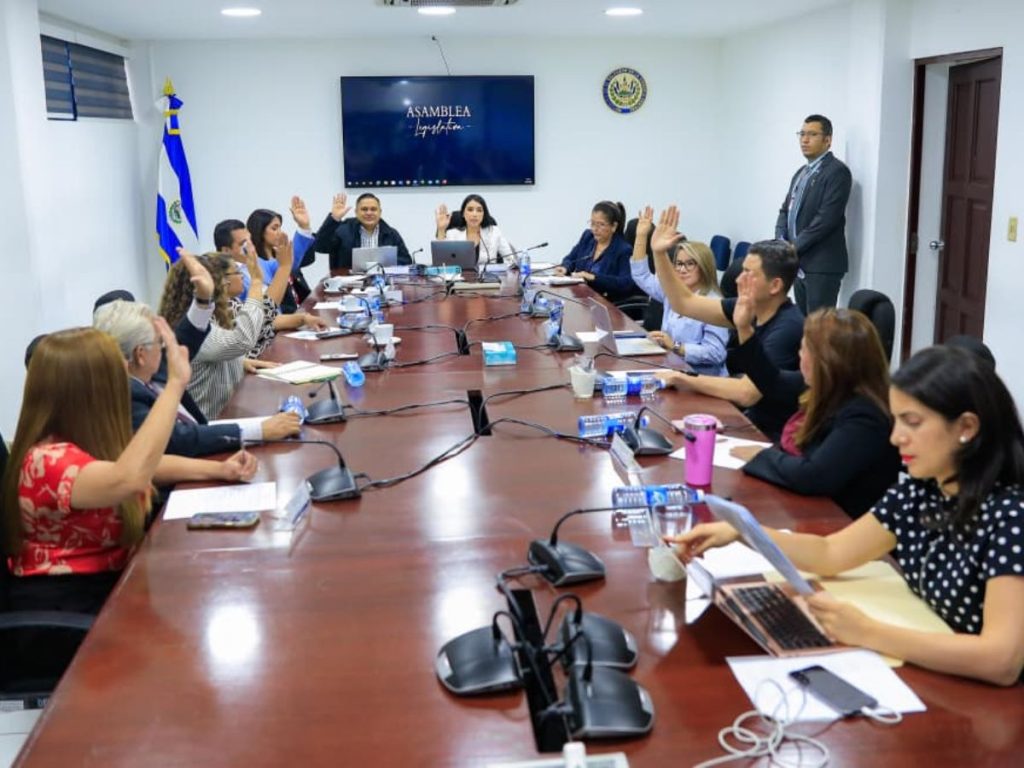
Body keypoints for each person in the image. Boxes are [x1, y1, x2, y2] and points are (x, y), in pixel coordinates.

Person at [670, 345, 1024, 686]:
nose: (897, 437)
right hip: (935, 669)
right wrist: (744, 532)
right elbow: (832, 553)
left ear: (966, 427)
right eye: (896, 420)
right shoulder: (920, 494)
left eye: (912, 422)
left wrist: (869, 632)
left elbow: (1001, 660)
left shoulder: (1010, 518)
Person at [1, 326, 258, 614]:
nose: (125, 368)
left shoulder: (80, 438)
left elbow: (143, 465)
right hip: (68, 609)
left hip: (112, 586)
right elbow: (129, 477)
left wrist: (219, 470)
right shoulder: (45, 461)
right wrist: (174, 385)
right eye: (115, 366)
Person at [724, 272, 901, 517]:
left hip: (839, 524)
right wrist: (744, 326)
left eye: (804, 349)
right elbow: (772, 381)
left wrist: (759, 456)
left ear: (828, 361)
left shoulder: (865, 414)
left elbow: (813, 476)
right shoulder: (831, 386)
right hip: (810, 509)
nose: (799, 356)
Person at [652, 206, 805, 441]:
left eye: (749, 274)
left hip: (770, 434)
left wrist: (683, 378)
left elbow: (747, 393)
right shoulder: (747, 305)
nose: (738, 279)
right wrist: (660, 255)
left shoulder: (788, 327)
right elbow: (684, 303)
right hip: (747, 419)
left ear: (775, 286)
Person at [93, 300, 301, 456]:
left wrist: (203, 299)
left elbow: (186, 337)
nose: (165, 346)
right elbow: (179, 439)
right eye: (159, 341)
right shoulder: (127, 394)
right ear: (140, 354)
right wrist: (260, 430)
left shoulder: (148, 371)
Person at [158, 251, 274, 419]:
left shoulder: (214, 315)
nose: (227, 283)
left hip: (230, 411)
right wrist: (256, 282)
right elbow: (241, 340)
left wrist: (239, 362)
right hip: (211, 425)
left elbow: (218, 352)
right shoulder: (189, 327)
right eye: (235, 273)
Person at [629, 206, 728, 376]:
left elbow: (716, 353)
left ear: (704, 266)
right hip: (671, 370)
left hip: (701, 378)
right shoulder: (673, 291)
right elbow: (641, 275)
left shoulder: (714, 303)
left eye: (690, 264)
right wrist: (641, 236)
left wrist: (676, 347)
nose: (682, 270)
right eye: (679, 264)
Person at [775, 114, 852, 314]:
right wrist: (781, 241)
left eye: (812, 134)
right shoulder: (801, 172)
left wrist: (793, 247)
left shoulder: (837, 172)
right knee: (803, 324)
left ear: (827, 140)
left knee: (819, 328)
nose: (804, 140)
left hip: (822, 265)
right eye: (802, 134)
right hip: (798, 261)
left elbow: (826, 219)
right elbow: (785, 210)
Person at [309, 192, 412, 275]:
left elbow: (407, 262)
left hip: (383, 283)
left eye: (373, 209)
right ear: (356, 212)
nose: (369, 213)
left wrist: (382, 266)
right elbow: (320, 247)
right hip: (348, 287)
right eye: (364, 209)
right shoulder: (343, 230)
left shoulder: (391, 234)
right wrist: (334, 218)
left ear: (380, 212)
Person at [554, 200, 637, 302]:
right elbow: (571, 258)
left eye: (601, 224)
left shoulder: (623, 250)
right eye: (592, 223)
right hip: (582, 299)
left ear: (614, 226)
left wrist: (593, 277)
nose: (595, 229)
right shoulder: (588, 237)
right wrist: (565, 268)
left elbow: (626, 283)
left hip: (607, 304)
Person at [435, 194, 516, 267]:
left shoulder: (494, 232)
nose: (474, 214)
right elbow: (441, 262)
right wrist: (441, 229)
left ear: (484, 214)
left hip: (488, 280)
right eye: (470, 210)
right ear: (463, 213)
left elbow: (510, 260)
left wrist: (500, 270)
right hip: (459, 280)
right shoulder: (452, 234)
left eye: (479, 210)